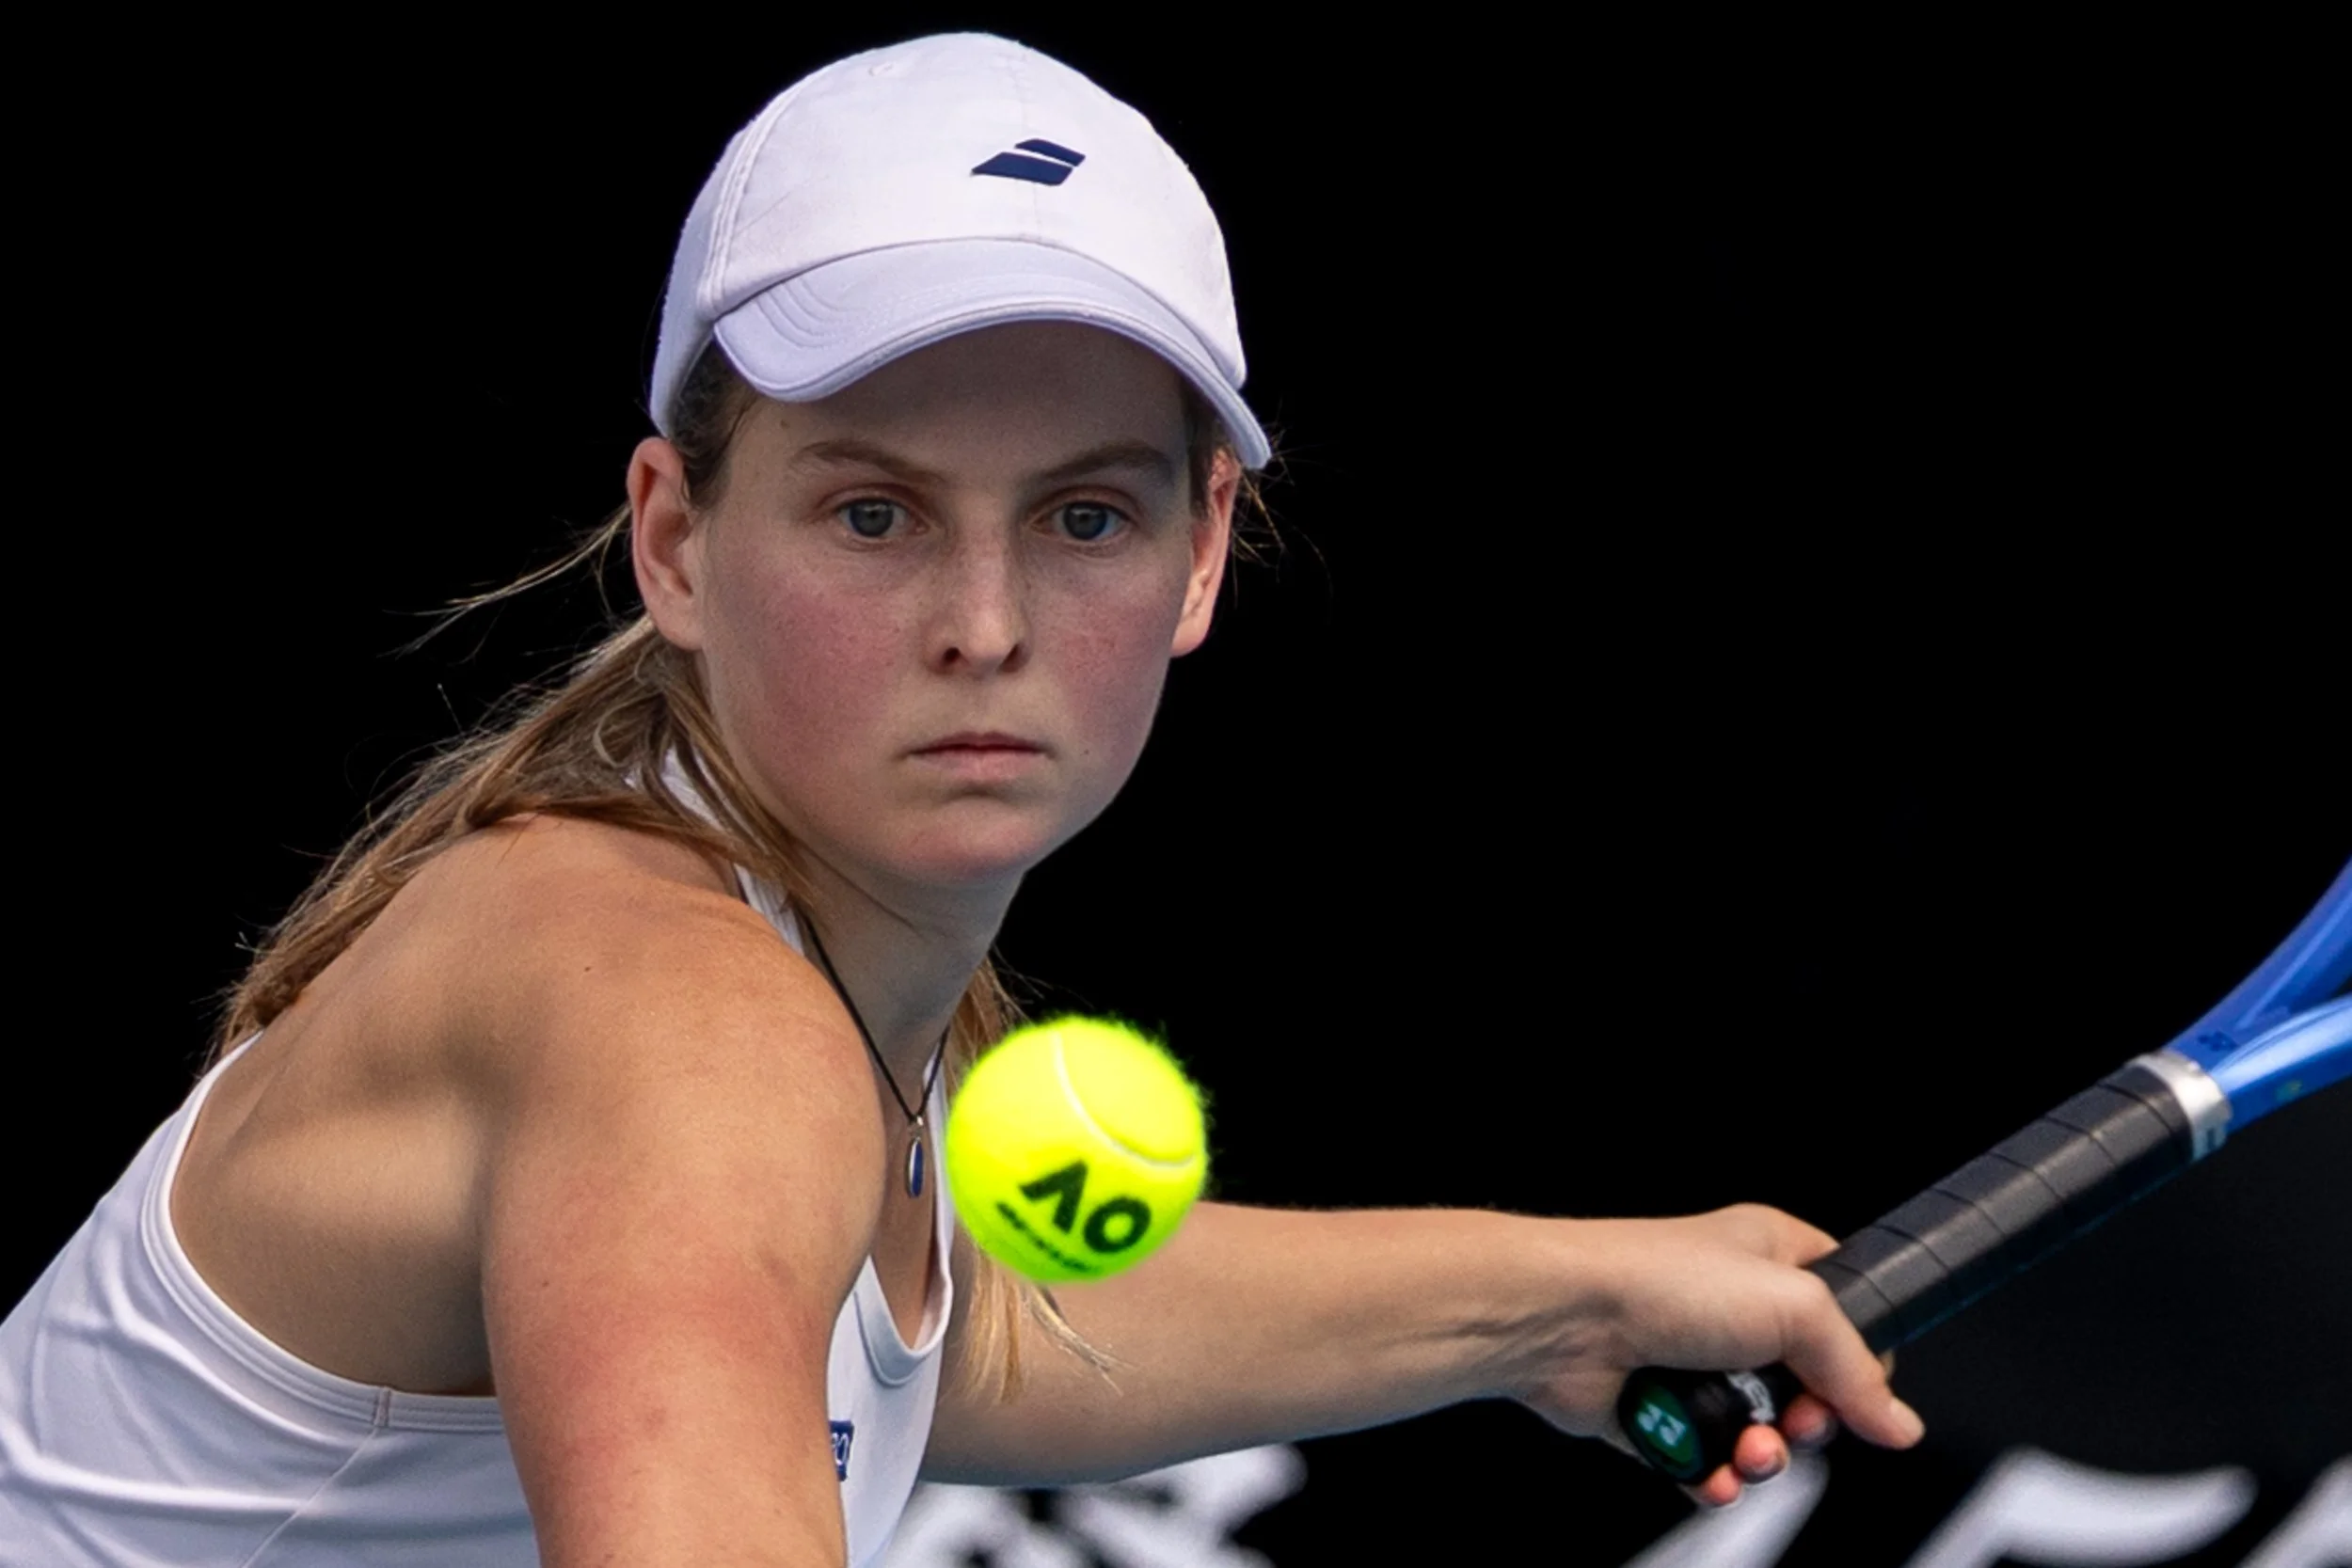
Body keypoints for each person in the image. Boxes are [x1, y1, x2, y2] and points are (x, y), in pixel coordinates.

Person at [0, 33, 1921, 1567]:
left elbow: (951, 1329)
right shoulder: (686, 1025)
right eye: (873, 512)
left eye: (1083, 515)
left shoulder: (736, 920)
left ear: (1196, 558)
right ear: (674, 538)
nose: (983, 624)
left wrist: (1554, 1304)